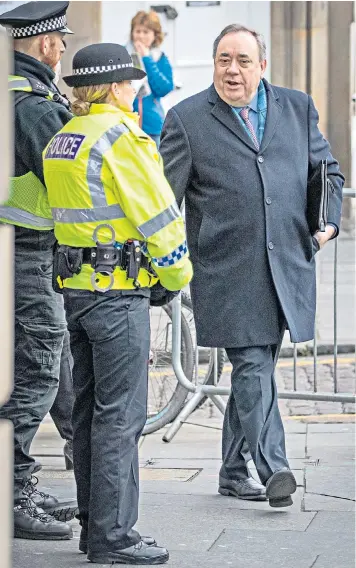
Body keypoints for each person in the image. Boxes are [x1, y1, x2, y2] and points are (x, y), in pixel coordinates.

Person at [160, 24, 344, 507]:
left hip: (286, 264)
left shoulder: (297, 106)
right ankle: (275, 467)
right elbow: (163, 202)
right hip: (226, 270)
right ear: (214, 63)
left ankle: (231, 470)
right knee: (252, 364)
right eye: (224, 59)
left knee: (256, 369)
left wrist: (326, 221)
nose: (233, 70)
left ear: (262, 65)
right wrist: (161, 263)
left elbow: (325, 169)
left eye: (243, 60)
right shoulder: (186, 119)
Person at [43, 43, 193, 564]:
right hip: (119, 297)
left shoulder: (63, 138)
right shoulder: (123, 138)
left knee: (87, 413)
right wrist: (176, 275)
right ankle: (115, 537)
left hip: (77, 293)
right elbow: (159, 217)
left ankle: (93, 527)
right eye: (131, 82)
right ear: (112, 87)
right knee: (119, 419)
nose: (137, 91)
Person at [0, 1, 78, 540]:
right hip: (28, 254)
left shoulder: (22, 93)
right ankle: (10, 491)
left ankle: (22, 478)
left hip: (22, 252)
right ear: (47, 43)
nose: (62, 49)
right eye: (61, 41)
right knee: (35, 376)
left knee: (49, 368)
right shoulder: (31, 105)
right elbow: (71, 181)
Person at [127, 10, 174, 147]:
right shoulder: (123, 54)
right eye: (138, 31)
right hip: (128, 124)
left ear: (155, 35)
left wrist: (147, 59)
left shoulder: (160, 58)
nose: (141, 36)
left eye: (146, 32)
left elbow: (163, 88)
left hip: (152, 126)